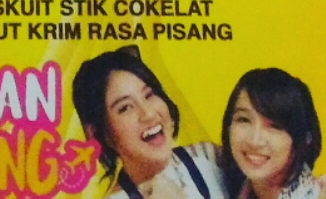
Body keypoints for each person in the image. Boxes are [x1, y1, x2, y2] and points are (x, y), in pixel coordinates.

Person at [71, 47, 223, 199]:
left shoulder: (208, 157)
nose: (148, 114)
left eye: (149, 95)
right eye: (125, 108)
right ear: (100, 135)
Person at [216, 68, 326, 199]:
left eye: (274, 126)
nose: (255, 141)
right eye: (244, 119)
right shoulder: (227, 183)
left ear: (304, 139)